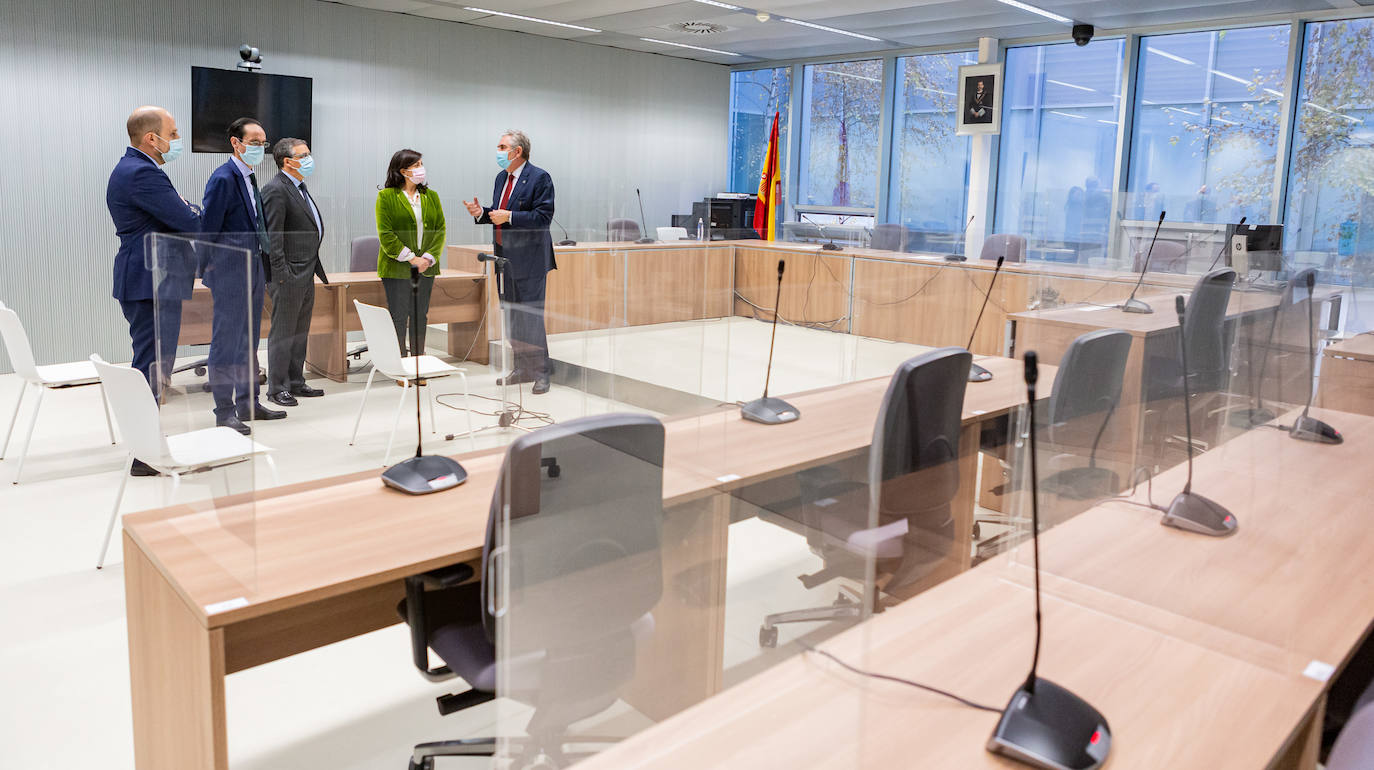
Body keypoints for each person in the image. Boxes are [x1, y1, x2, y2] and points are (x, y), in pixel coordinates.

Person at [106, 105, 202, 476]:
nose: (176, 140)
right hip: (151, 279)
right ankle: (145, 455)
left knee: (152, 363)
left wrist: (187, 210)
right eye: (173, 134)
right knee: (152, 366)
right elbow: (188, 218)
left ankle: (146, 444)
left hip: (149, 277)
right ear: (151, 138)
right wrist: (191, 211)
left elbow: (182, 212)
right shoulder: (143, 174)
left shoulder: (137, 169)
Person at [201, 117, 286, 435]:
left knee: (249, 340)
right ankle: (224, 410)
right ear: (235, 143)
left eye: (263, 142)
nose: (260, 148)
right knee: (227, 341)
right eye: (254, 142)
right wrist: (207, 268)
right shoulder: (223, 178)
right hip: (228, 269)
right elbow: (209, 227)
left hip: (252, 267)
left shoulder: (250, 177)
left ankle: (249, 402)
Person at [464, 130, 556, 394]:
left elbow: (543, 217)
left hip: (530, 260)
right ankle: (521, 368)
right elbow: (498, 212)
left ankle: (541, 372)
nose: (498, 150)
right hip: (505, 259)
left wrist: (511, 217)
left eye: (502, 146)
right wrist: (481, 213)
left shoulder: (540, 177)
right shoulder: (501, 178)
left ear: (518, 152)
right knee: (513, 317)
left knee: (531, 317)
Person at [261, 138, 328, 407]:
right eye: (304, 155)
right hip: (287, 274)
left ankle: (295, 381)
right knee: (284, 332)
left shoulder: (299, 186)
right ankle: (277, 388)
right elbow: (272, 237)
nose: (310, 159)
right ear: (287, 161)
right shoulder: (276, 189)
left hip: (306, 270)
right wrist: (281, 273)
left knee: (300, 331)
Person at [375, 150, 445, 356]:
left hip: (426, 266)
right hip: (397, 268)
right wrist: (411, 258)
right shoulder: (386, 197)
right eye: (416, 165)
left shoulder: (431, 196)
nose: (421, 169)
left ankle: (418, 361)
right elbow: (386, 234)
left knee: (419, 316)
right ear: (403, 171)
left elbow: (440, 229)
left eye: (421, 164)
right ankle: (400, 363)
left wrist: (428, 258)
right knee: (398, 316)